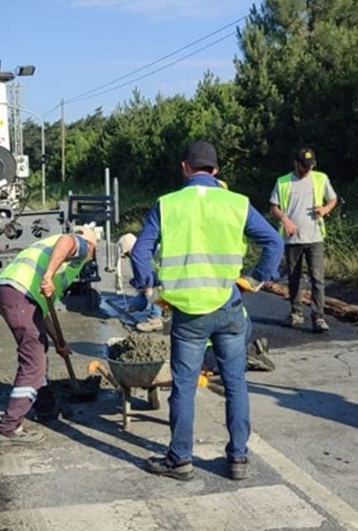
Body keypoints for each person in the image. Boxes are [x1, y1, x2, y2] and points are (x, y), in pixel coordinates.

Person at [130, 141, 282, 481]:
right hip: (229, 306)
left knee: (184, 387)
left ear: (185, 167)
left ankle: (180, 460)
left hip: (188, 314)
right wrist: (256, 279)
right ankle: (238, 459)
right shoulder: (236, 203)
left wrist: (148, 284)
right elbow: (274, 242)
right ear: (215, 170)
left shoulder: (167, 205)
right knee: (235, 383)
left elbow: (141, 252)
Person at [0, 226, 99, 447]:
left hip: (13, 293)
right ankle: (8, 428)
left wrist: (59, 342)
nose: (91, 258)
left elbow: (44, 311)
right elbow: (69, 241)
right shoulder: (78, 247)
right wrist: (49, 275)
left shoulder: (52, 252)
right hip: (20, 294)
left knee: (39, 350)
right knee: (34, 362)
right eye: (93, 252)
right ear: (91, 246)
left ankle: (45, 407)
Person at [269, 148, 338, 332]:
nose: (307, 170)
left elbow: (332, 199)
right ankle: (296, 313)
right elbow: (273, 207)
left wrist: (325, 209)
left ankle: (318, 317)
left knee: (317, 278)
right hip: (292, 239)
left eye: (310, 166)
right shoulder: (283, 182)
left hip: (314, 236)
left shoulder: (320, 178)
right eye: (304, 166)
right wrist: (285, 219)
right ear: (296, 163)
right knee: (294, 278)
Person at [117, 232, 165, 332]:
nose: (127, 256)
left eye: (126, 253)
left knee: (155, 292)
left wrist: (148, 288)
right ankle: (136, 306)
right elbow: (141, 278)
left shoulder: (141, 254)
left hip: (162, 276)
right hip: (155, 276)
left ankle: (156, 318)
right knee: (145, 291)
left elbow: (148, 276)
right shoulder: (135, 256)